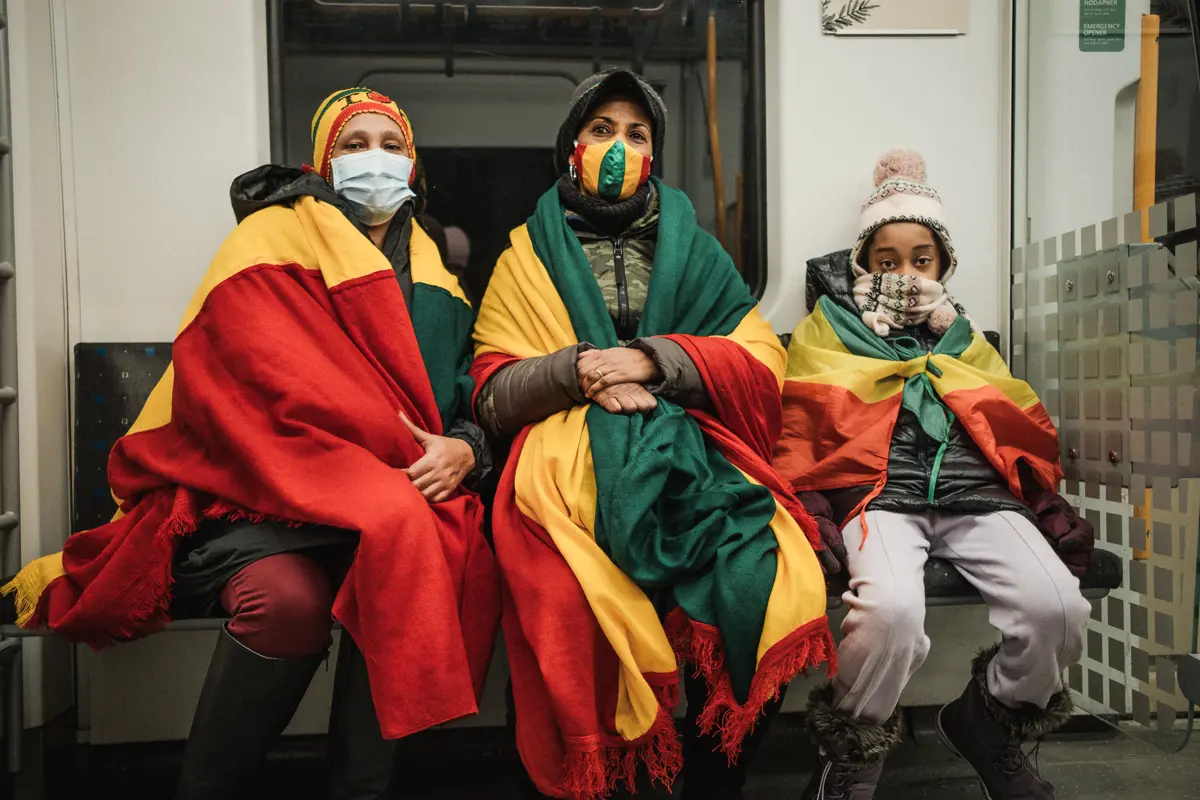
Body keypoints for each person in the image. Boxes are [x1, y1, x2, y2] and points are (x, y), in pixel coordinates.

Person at [1, 88, 499, 800]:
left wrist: (464, 449)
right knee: (286, 603)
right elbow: (238, 388)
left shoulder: (440, 281)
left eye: (391, 147)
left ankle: (362, 789)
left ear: (413, 167)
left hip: (386, 505)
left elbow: (457, 396)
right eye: (353, 146)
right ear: (323, 163)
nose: (374, 161)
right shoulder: (264, 243)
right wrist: (342, 467)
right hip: (258, 501)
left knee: (402, 565)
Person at [471, 69, 834, 800]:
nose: (619, 145)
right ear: (572, 147)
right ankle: (588, 777)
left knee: (764, 571)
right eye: (602, 130)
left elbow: (760, 360)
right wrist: (585, 373)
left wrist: (656, 360)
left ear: (655, 155)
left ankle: (712, 777)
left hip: (689, 450)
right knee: (561, 589)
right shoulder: (525, 255)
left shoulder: (697, 250)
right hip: (564, 466)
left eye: (637, 134)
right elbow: (492, 391)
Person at [774, 150, 1095, 800]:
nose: (905, 273)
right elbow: (802, 426)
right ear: (864, 260)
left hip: (975, 494)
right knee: (890, 614)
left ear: (943, 265)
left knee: (1058, 608)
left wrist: (1038, 497)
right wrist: (816, 509)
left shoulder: (963, 337)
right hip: (880, 494)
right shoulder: (827, 328)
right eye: (887, 259)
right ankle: (851, 757)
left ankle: (986, 721)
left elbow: (1009, 417)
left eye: (922, 259)